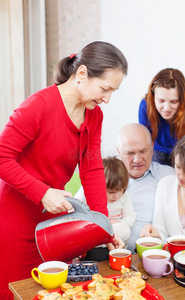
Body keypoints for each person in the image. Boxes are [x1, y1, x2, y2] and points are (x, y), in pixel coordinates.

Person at [0, 41, 127, 299]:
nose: (107, 98)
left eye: (113, 91)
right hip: (16, 221)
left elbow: (91, 170)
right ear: (81, 74)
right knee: (19, 292)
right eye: (105, 89)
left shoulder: (94, 115)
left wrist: (104, 229)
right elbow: (2, 157)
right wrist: (43, 192)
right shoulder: (38, 106)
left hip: (55, 224)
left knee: (54, 293)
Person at [116, 123, 175, 253]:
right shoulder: (105, 175)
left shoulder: (169, 176)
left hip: (153, 255)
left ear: (152, 147)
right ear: (119, 151)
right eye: (130, 153)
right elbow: (77, 209)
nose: (137, 159)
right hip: (109, 255)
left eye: (143, 151)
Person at [138, 68, 185, 166]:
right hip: (160, 151)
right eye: (161, 101)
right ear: (153, 97)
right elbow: (145, 143)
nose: (166, 108)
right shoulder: (145, 107)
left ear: (182, 99)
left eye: (174, 101)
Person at [75, 156, 136, 245]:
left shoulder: (124, 197)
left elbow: (130, 216)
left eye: (122, 190)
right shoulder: (86, 191)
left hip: (116, 234)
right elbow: (74, 209)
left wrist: (121, 222)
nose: (118, 196)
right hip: (93, 231)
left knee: (124, 229)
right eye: (112, 192)